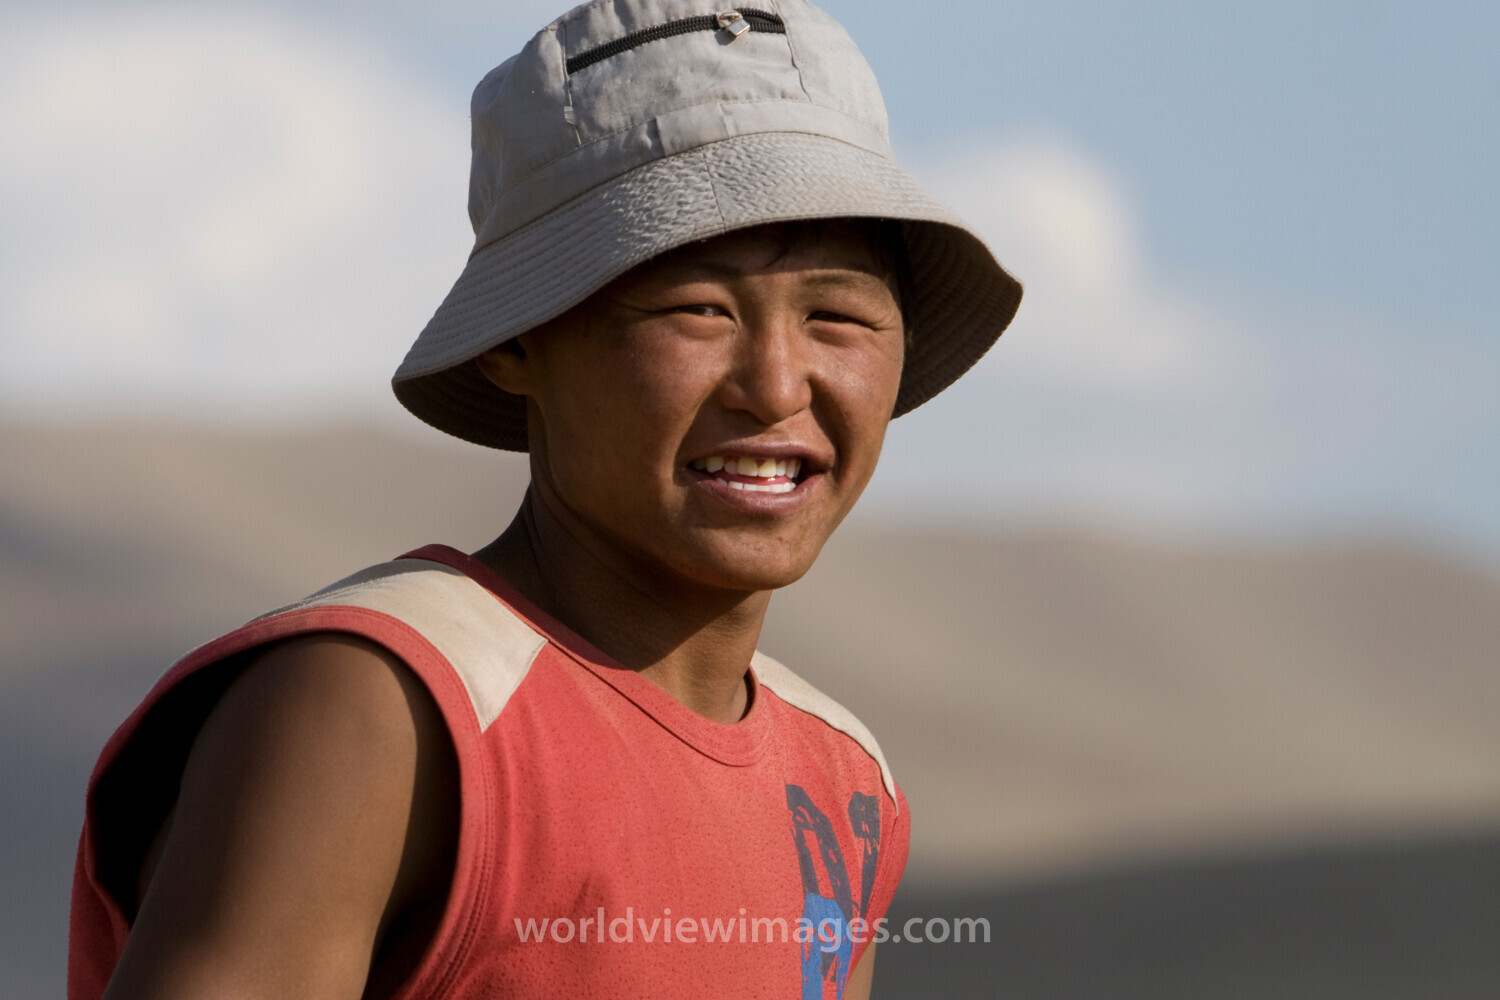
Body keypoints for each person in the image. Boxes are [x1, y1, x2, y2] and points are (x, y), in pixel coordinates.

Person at [67, 2, 1021, 998]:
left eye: (838, 316)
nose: (777, 386)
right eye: (698, 309)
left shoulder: (843, 778)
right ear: (516, 342)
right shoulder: (383, 708)